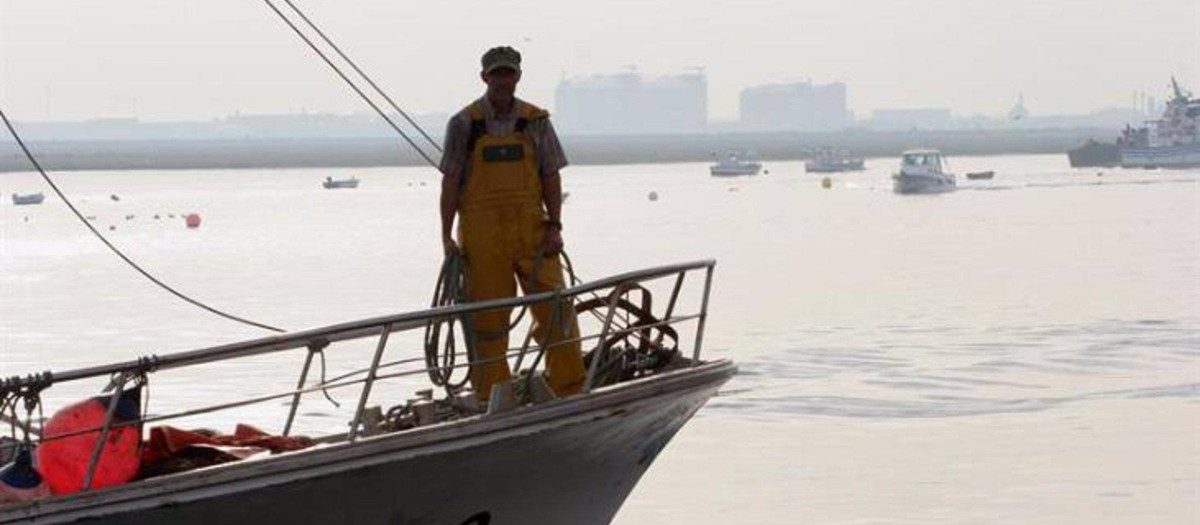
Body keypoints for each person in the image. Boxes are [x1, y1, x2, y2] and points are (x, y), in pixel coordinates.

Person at [438, 46, 586, 402]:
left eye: (508, 74)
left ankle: (570, 389)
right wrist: (446, 236)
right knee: (488, 321)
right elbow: (451, 183)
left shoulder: (536, 120)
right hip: (482, 235)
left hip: (533, 231)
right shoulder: (464, 123)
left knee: (557, 309)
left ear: (518, 76)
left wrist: (555, 226)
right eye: (496, 74)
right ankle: (494, 398)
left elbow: (551, 175)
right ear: (484, 78)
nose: (503, 81)